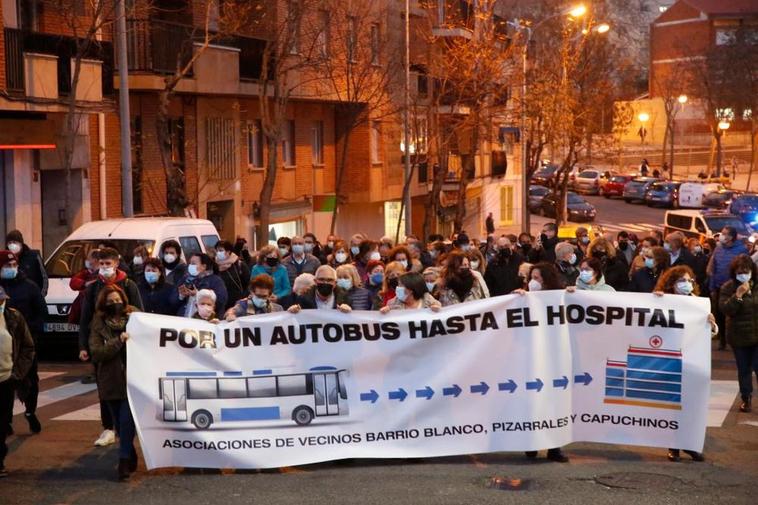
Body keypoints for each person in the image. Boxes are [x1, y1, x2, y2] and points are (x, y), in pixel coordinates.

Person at [654, 266, 714, 463]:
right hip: (670, 359)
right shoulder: (662, 301)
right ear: (672, 284)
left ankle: (690, 444)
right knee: (673, 405)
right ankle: (674, 447)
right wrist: (655, 301)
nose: (687, 284)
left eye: (689, 280)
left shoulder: (699, 304)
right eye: (682, 281)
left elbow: (712, 332)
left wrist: (711, 324)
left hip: (693, 359)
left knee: (692, 405)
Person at [88, 285, 138, 480]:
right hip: (110, 379)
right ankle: (130, 452)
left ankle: (123, 460)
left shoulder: (134, 316)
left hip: (133, 378)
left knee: (126, 420)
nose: (115, 304)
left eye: (118, 300)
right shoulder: (99, 323)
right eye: (110, 302)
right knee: (118, 423)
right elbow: (98, 352)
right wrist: (118, 341)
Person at [0, 250, 46, 434]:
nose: (11, 269)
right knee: (6, 384)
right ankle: (6, 420)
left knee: (29, 380)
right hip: (4, 347)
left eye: (13, 265)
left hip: (25, 344)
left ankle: (30, 412)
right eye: (6, 266)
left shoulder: (29, 287)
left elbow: (41, 312)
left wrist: (30, 330)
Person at [0, 286, 35, 477]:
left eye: (2, 301)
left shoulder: (14, 317)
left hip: (6, 379)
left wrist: (18, 374)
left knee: (2, 423)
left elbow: (27, 348)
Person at [719, 254, 758, 414]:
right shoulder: (728, 287)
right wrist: (738, 295)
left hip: (757, 334)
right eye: (739, 272)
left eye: (746, 271)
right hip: (738, 336)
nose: (743, 275)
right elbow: (726, 310)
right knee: (744, 369)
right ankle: (746, 398)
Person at [708, 226, 749, 350]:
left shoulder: (741, 250)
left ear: (731, 237)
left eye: (724, 234)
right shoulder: (718, 248)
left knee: (735, 314)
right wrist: (712, 286)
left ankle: (736, 339)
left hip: (734, 288)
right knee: (720, 313)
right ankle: (722, 339)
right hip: (719, 286)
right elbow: (713, 267)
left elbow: (745, 268)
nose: (721, 236)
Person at [175, 253, 227, 318]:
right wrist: (181, 296)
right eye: (190, 263)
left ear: (204, 266)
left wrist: (199, 295)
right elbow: (172, 301)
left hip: (205, 321)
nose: (190, 266)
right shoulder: (185, 279)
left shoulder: (215, 280)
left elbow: (221, 301)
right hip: (183, 319)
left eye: (193, 263)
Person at [287, 265, 353, 313]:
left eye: (330, 280)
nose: (325, 283)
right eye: (321, 279)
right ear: (315, 281)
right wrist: (291, 313)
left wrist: (349, 313)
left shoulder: (345, 299)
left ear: (335, 283)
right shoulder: (303, 299)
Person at [4, 230, 47, 296]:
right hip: (13, 301)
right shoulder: (5, 259)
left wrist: (41, 296)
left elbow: (44, 277)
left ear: (21, 244)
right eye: (10, 243)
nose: (12, 245)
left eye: (15, 242)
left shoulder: (34, 256)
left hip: (32, 300)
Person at [69, 248, 101, 329]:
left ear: (95, 260)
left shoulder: (101, 274)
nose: (87, 261)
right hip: (85, 312)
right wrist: (85, 283)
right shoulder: (87, 272)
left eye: (89, 258)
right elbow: (73, 282)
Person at [214, 240, 250, 310]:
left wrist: (243, 298)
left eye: (221, 250)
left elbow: (249, 283)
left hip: (237, 303)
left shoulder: (239, 264)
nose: (218, 253)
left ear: (228, 251)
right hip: (219, 303)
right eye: (217, 250)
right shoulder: (214, 266)